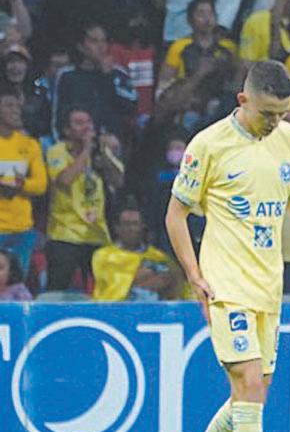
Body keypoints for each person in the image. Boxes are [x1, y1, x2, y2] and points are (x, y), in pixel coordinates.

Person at [165, 60, 290, 432]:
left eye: (283, 114)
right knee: (246, 382)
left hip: (268, 285)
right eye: (267, 114)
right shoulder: (208, 145)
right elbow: (175, 215)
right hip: (224, 283)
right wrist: (194, 275)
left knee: (252, 394)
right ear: (242, 99)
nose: (275, 123)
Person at [46, 108, 124, 292]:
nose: (86, 127)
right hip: (65, 234)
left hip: (97, 233)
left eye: (89, 122)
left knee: (107, 289)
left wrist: (105, 154)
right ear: (67, 130)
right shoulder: (57, 151)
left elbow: (118, 181)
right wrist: (87, 150)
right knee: (57, 290)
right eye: (79, 123)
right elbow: (65, 180)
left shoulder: (100, 152)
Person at [93, 202, 182, 301]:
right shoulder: (103, 255)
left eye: (135, 224)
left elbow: (172, 281)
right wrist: (137, 278)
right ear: (117, 228)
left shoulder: (158, 256)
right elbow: (113, 283)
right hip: (114, 308)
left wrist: (141, 279)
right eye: (126, 224)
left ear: (142, 226)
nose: (131, 229)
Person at [0, 85, 47, 275]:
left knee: (18, 285)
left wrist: (22, 185)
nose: (16, 110)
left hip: (22, 229)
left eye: (18, 106)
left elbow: (41, 185)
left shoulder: (30, 144)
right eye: (9, 105)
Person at [158, 0, 238, 96]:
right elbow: (164, 86)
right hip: (188, 100)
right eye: (201, 14)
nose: (207, 19)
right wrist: (199, 74)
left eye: (211, 14)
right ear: (190, 19)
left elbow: (237, 82)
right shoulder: (179, 46)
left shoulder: (229, 47)